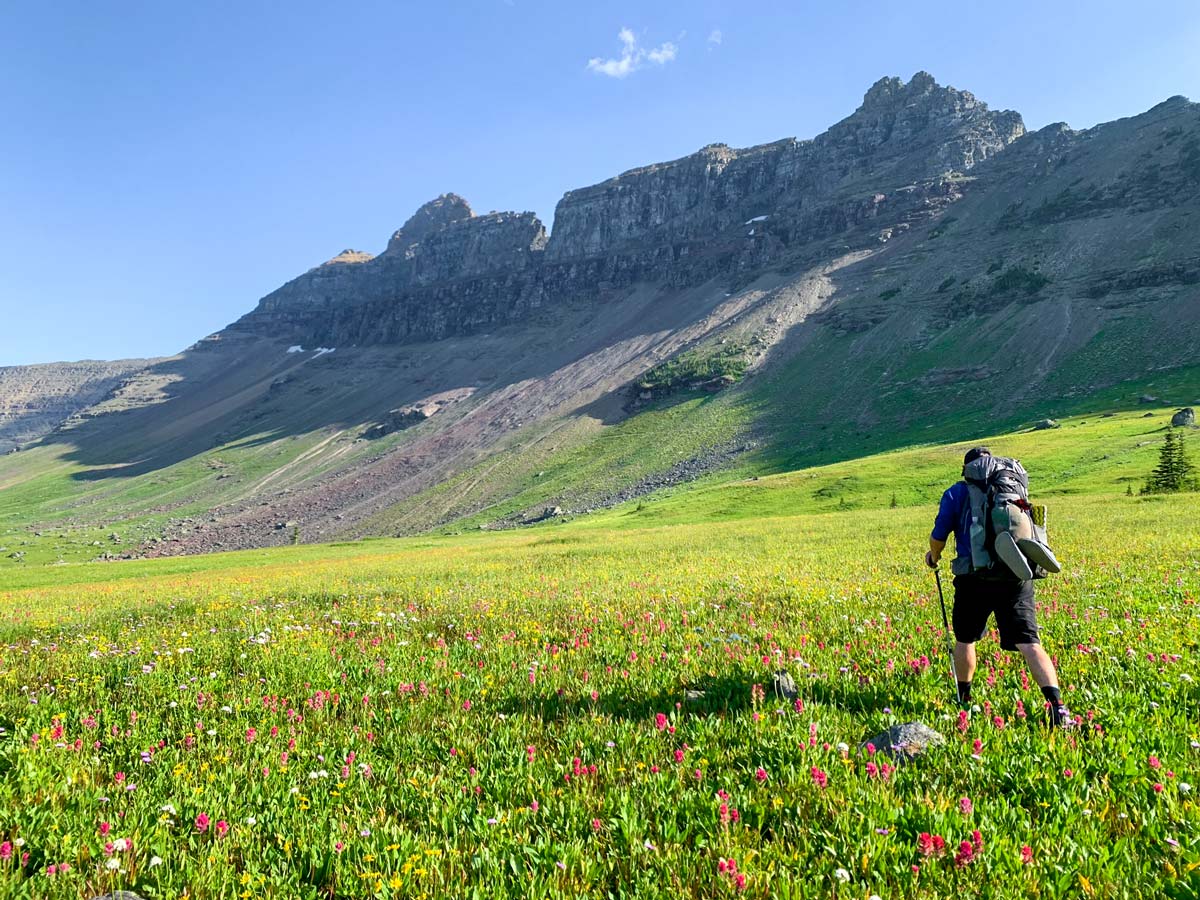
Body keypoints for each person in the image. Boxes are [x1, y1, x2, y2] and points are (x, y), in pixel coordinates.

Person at [925, 446, 1072, 728]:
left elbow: (938, 537)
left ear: (966, 470)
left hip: (973, 578)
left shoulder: (957, 493)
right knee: (1030, 643)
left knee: (966, 639)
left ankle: (964, 699)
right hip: (1016, 574)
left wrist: (934, 556)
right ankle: (1058, 709)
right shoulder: (1013, 489)